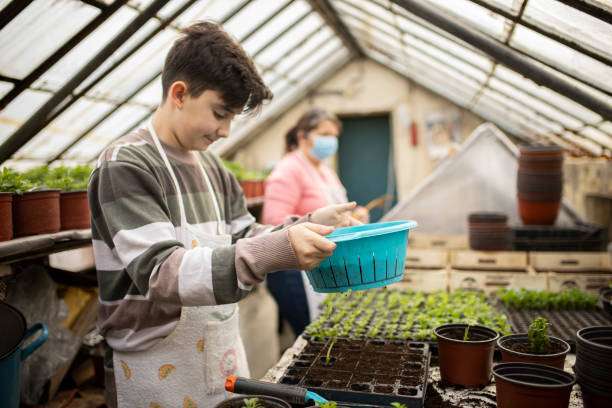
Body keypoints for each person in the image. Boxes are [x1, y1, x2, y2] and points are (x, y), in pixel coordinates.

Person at [89, 22, 359, 408]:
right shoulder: (127, 166)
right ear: (179, 94)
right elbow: (161, 274)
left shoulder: (215, 170)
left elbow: (247, 235)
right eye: (220, 113)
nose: (226, 131)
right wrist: (278, 250)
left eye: (233, 117)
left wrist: (310, 223)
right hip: (152, 368)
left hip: (221, 355)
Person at [262, 108, 369, 337]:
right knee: (312, 337)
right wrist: (316, 223)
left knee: (328, 332)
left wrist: (353, 218)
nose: (331, 141)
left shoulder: (326, 172)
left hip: (324, 265)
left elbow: (338, 210)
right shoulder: (289, 169)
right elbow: (272, 224)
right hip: (295, 271)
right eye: (325, 134)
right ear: (303, 136)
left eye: (334, 136)